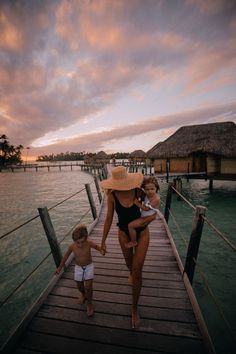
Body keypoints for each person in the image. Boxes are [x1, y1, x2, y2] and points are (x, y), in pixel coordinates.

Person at [100, 166, 156, 329]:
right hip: (124, 234)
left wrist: (152, 214)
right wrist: (103, 241)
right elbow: (109, 218)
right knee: (130, 265)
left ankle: (134, 309)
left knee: (137, 270)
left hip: (142, 233)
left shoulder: (139, 192)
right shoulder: (111, 195)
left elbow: (154, 199)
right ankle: (131, 272)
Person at [55, 224, 103, 317]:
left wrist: (101, 250)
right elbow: (65, 257)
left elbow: (97, 247)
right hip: (78, 268)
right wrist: (59, 268)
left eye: (82, 242)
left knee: (88, 286)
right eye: (78, 242)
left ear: (86, 238)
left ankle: (89, 304)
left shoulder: (88, 243)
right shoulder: (72, 246)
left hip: (89, 266)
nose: (80, 245)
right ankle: (83, 294)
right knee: (79, 285)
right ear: (74, 241)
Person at [125, 176, 160, 249]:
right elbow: (143, 196)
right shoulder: (147, 195)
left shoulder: (156, 199)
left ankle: (133, 242)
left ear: (156, 188)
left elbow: (146, 208)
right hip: (144, 216)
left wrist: (137, 203)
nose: (150, 191)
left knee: (130, 226)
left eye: (152, 189)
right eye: (147, 189)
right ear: (144, 189)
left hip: (147, 217)